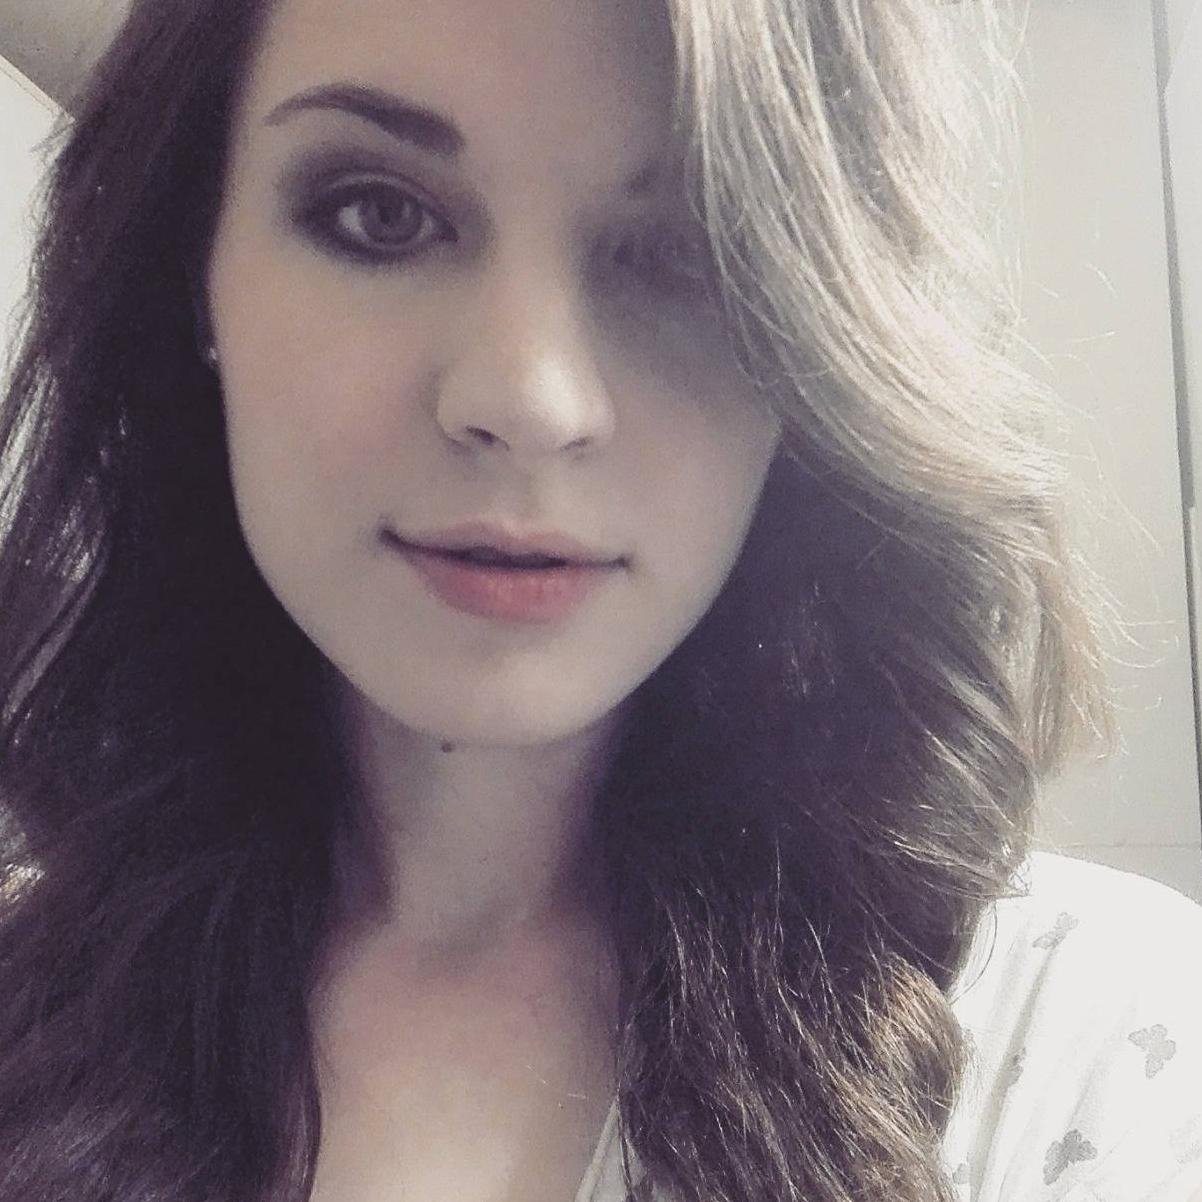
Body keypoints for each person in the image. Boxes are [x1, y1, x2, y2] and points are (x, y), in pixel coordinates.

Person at [0, 0, 1199, 1200]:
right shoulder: (28, 1012)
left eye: (683, 249)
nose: (529, 398)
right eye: (379, 213)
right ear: (194, 271)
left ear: (819, 347)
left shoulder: (1092, 1042)